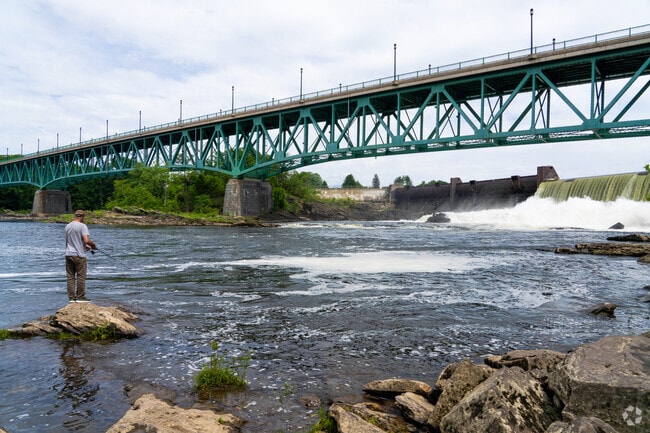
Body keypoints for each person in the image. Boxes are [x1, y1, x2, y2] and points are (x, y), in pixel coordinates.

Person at [65, 210, 97, 302]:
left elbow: (73, 240)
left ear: (75, 216)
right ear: (82, 217)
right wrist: (92, 245)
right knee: (81, 276)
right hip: (79, 255)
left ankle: (71, 298)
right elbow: (86, 240)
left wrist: (85, 246)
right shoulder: (83, 226)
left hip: (68, 254)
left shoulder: (67, 226)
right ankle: (80, 297)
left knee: (70, 277)